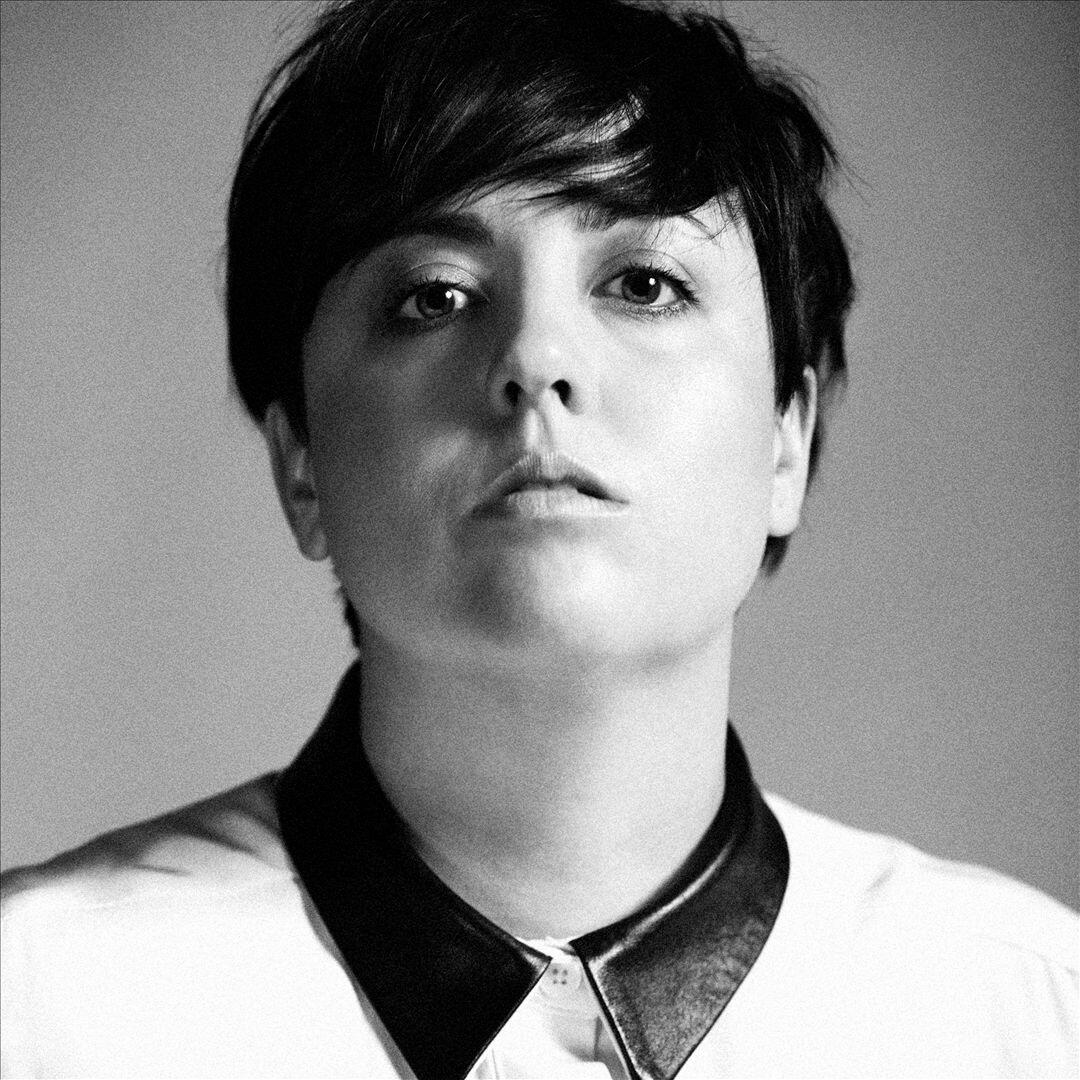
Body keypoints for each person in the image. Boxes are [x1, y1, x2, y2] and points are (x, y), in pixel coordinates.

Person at [1, 1, 1075, 1077]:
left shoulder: (1031, 1016)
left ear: (785, 444)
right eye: (434, 296)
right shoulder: (38, 1007)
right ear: (302, 466)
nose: (537, 359)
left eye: (645, 285)